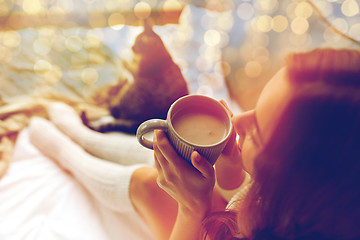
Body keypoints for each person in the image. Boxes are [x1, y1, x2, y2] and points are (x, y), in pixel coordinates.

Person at [28, 48, 360, 240]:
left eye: (257, 130)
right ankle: (82, 137)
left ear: (290, 180)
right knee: (173, 167)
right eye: (255, 106)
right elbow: (243, 196)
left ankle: (66, 153)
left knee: (151, 186)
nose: (240, 121)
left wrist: (191, 208)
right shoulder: (313, 200)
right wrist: (232, 173)